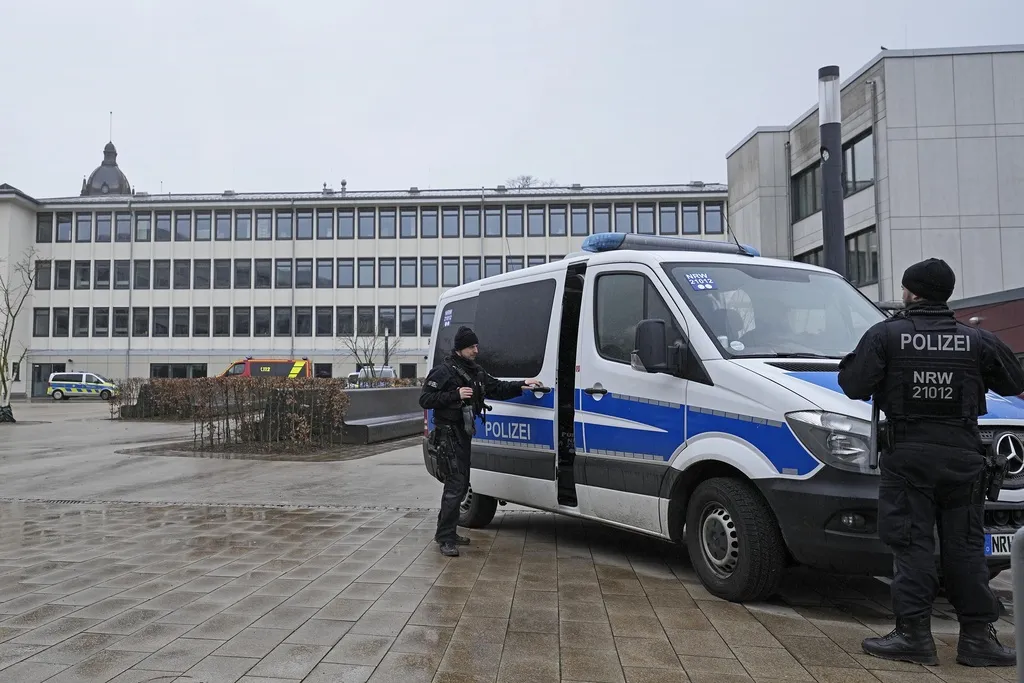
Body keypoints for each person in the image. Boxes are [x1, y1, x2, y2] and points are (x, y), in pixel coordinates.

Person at [837, 258, 1024, 668]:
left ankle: (913, 637)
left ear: (910, 292)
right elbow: (1014, 381)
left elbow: (852, 385)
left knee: (912, 547)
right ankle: (978, 640)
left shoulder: (887, 336)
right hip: (963, 457)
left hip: (908, 460)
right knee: (966, 549)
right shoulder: (977, 340)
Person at [419, 326, 540, 557]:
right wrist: (454, 395)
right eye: (472, 347)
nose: (477, 350)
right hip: (447, 436)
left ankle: (448, 532)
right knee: (455, 486)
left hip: (463, 435)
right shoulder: (443, 371)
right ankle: (445, 538)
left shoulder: (474, 371)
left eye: (476, 346)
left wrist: (521, 384)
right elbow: (425, 399)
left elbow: (496, 387)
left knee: (462, 485)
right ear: (460, 349)